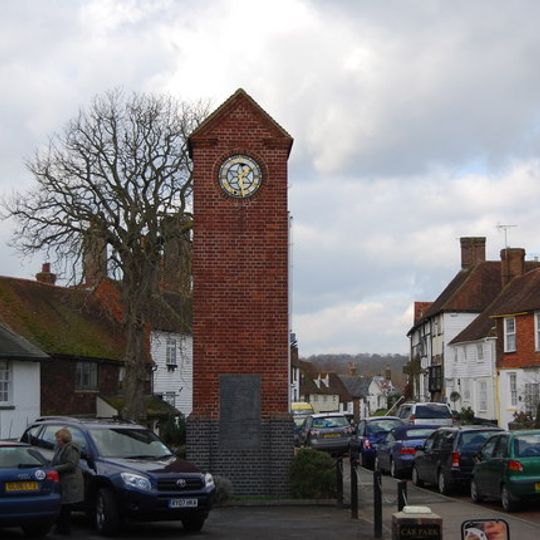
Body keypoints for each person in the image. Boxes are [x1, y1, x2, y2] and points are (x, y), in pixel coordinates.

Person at [52, 428, 84, 535]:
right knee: (62, 505)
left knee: (66, 506)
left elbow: (71, 464)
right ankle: (61, 528)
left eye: (58, 438)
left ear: (64, 439)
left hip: (70, 481)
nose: (57, 441)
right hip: (63, 480)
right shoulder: (59, 448)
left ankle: (65, 529)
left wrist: (55, 469)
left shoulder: (71, 448)